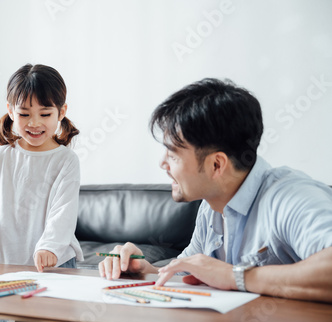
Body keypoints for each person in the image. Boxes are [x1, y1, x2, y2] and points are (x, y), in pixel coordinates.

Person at [98, 78, 332, 303]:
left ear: (216, 165)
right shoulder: (211, 206)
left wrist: (235, 276)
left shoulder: (289, 197)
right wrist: (145, 271)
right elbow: (190, 273)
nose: (163, 163)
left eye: (172, 154)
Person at [0, 63, 83, 322]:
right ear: (10, 110)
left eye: (45, 114)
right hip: (5, 260)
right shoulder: (0, 157)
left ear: (61, 112)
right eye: (24, 114)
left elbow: (63, 211)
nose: (34, 123)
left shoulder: (65, 160)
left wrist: (49, 248)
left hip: (54, 263)